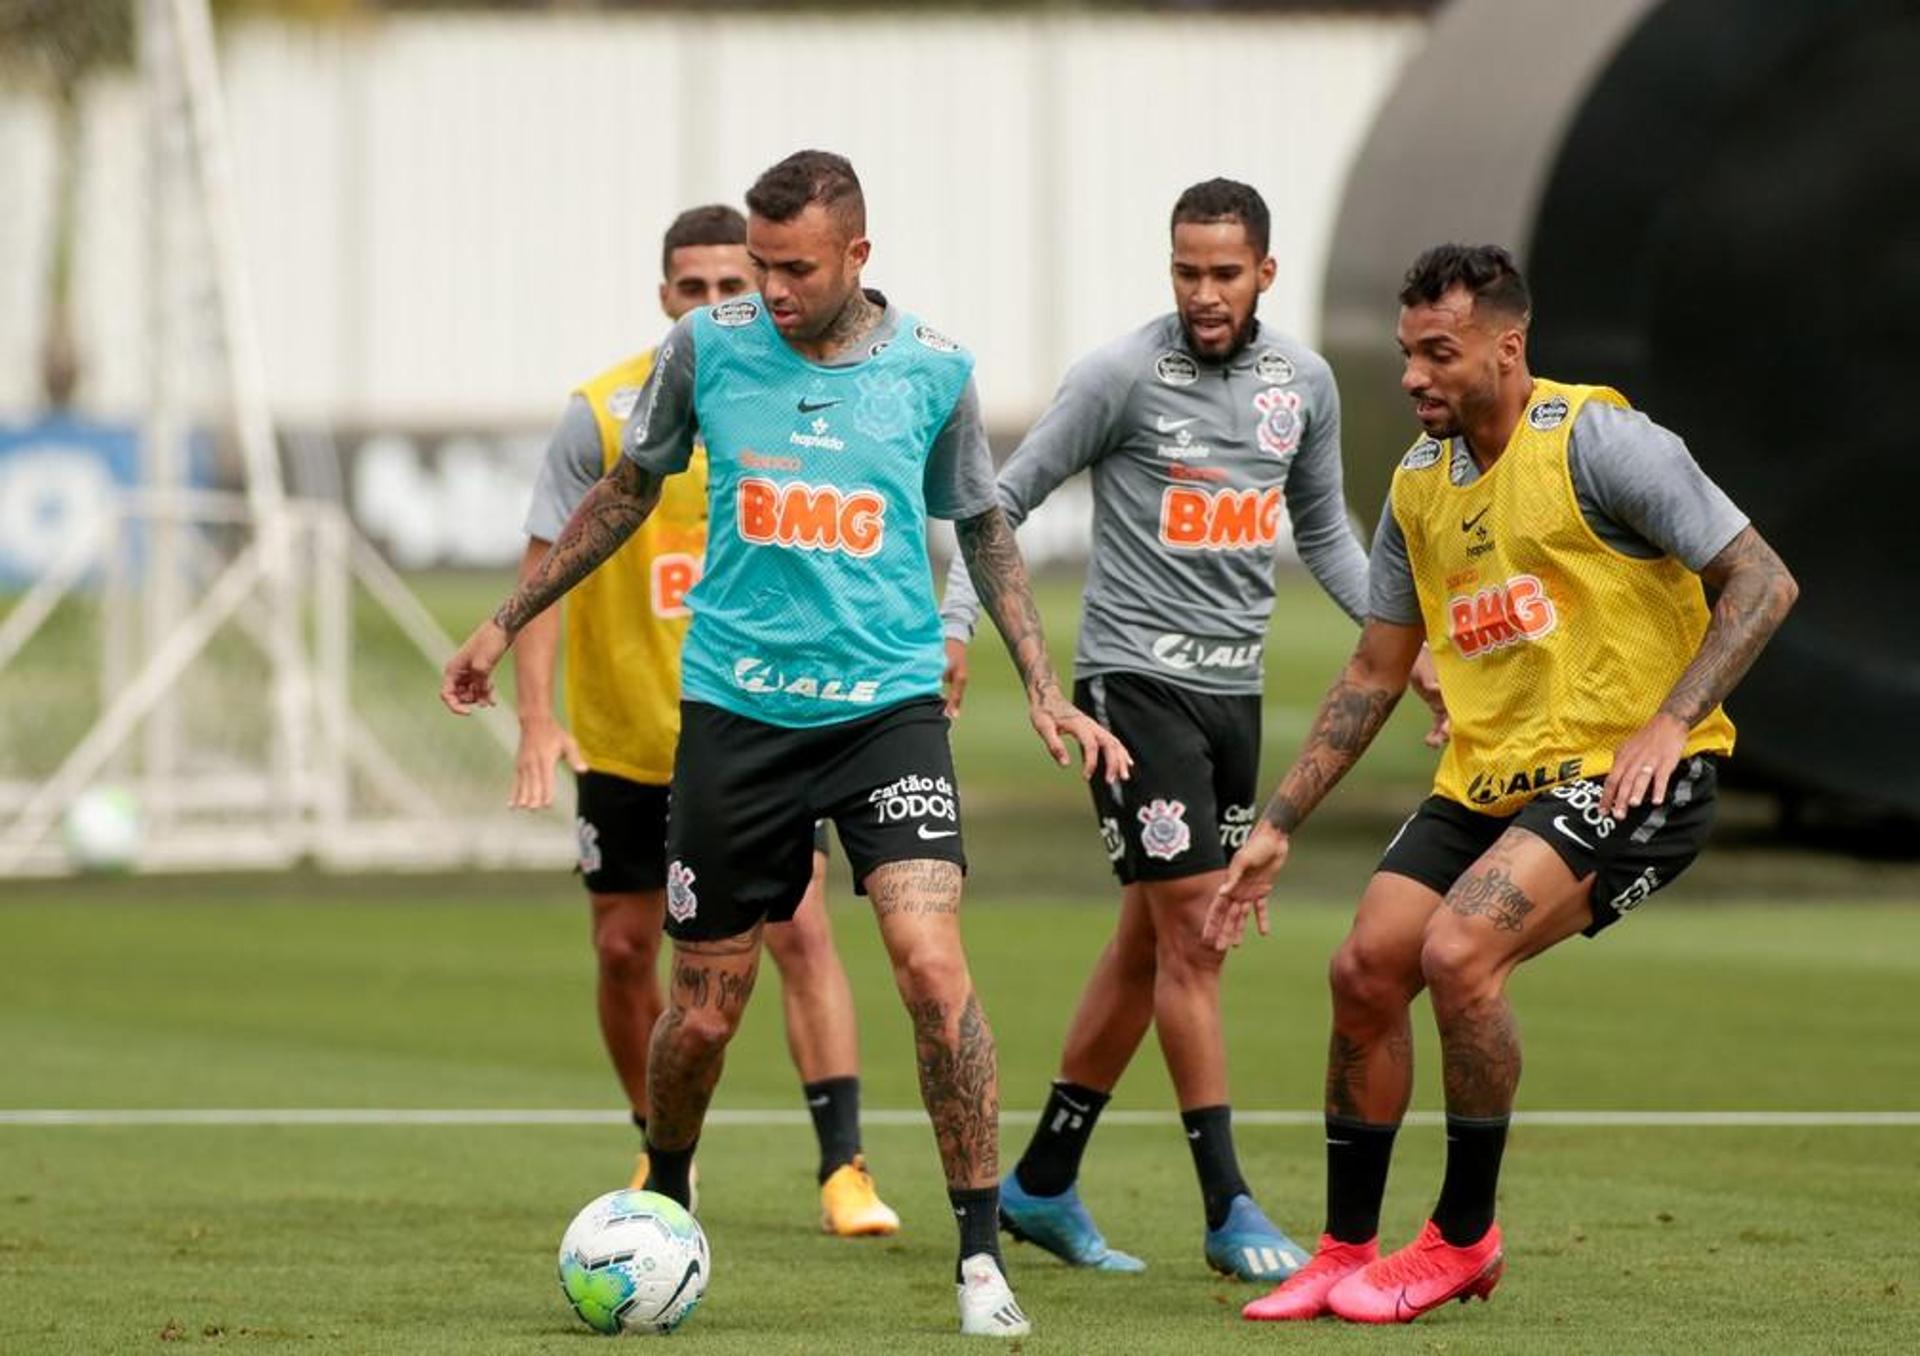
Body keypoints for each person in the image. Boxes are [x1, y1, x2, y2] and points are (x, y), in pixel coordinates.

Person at [442, 149, 1132, 1340]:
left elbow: (983, 525)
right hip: (736, 721)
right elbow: (621, 493)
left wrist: (1040, 683)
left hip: (886, 716)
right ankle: (664, 1195)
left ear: (858, 254)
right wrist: (504, 625)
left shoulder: (933, 370)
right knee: (703, 1012)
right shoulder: (705, 351)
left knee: (928, 961)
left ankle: (977, 1260)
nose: (769, 288)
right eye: (757, 265)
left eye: (793, 267)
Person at [1205, 243, 1797, 1324]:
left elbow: (1762, 579)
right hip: (1490, 780)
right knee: (1365, 968)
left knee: (1457, 952)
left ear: (1508, 347)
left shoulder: (1602, 442)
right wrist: (1278, 822)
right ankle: (1343, 1250)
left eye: (1441, 353)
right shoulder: (1420, 484)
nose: (1415, 377)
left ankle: (1465, 1238)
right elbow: (1376, 670)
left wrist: (1669, 723)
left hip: (1631, 779)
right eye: (1405, 355)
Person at [940, 178, 1447, 1283]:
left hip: (1234, 700)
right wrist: (954, 626)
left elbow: (1321, 529)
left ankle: (1042, 1183)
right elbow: (999, 501)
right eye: (1187, 271)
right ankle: (1230, 1207)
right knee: (1197, 936)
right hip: (1133, 689)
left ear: (1265, 271)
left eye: (1225, 272)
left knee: (1146, 946)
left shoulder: (1300, 383)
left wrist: (1404, 655)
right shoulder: (1120, 376)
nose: (1204, 293)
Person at [510, 203, 897, 1237]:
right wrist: (536, 716)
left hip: (765, 728)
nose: (725, 304)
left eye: (739, 283)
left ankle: (845, 1168)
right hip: (631, 742)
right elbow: (548, 559)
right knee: (625, 951)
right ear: (665, 297)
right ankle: (660, 1139)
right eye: (699, 288)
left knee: (802, 929)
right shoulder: (603, 412)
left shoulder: (806, 399)